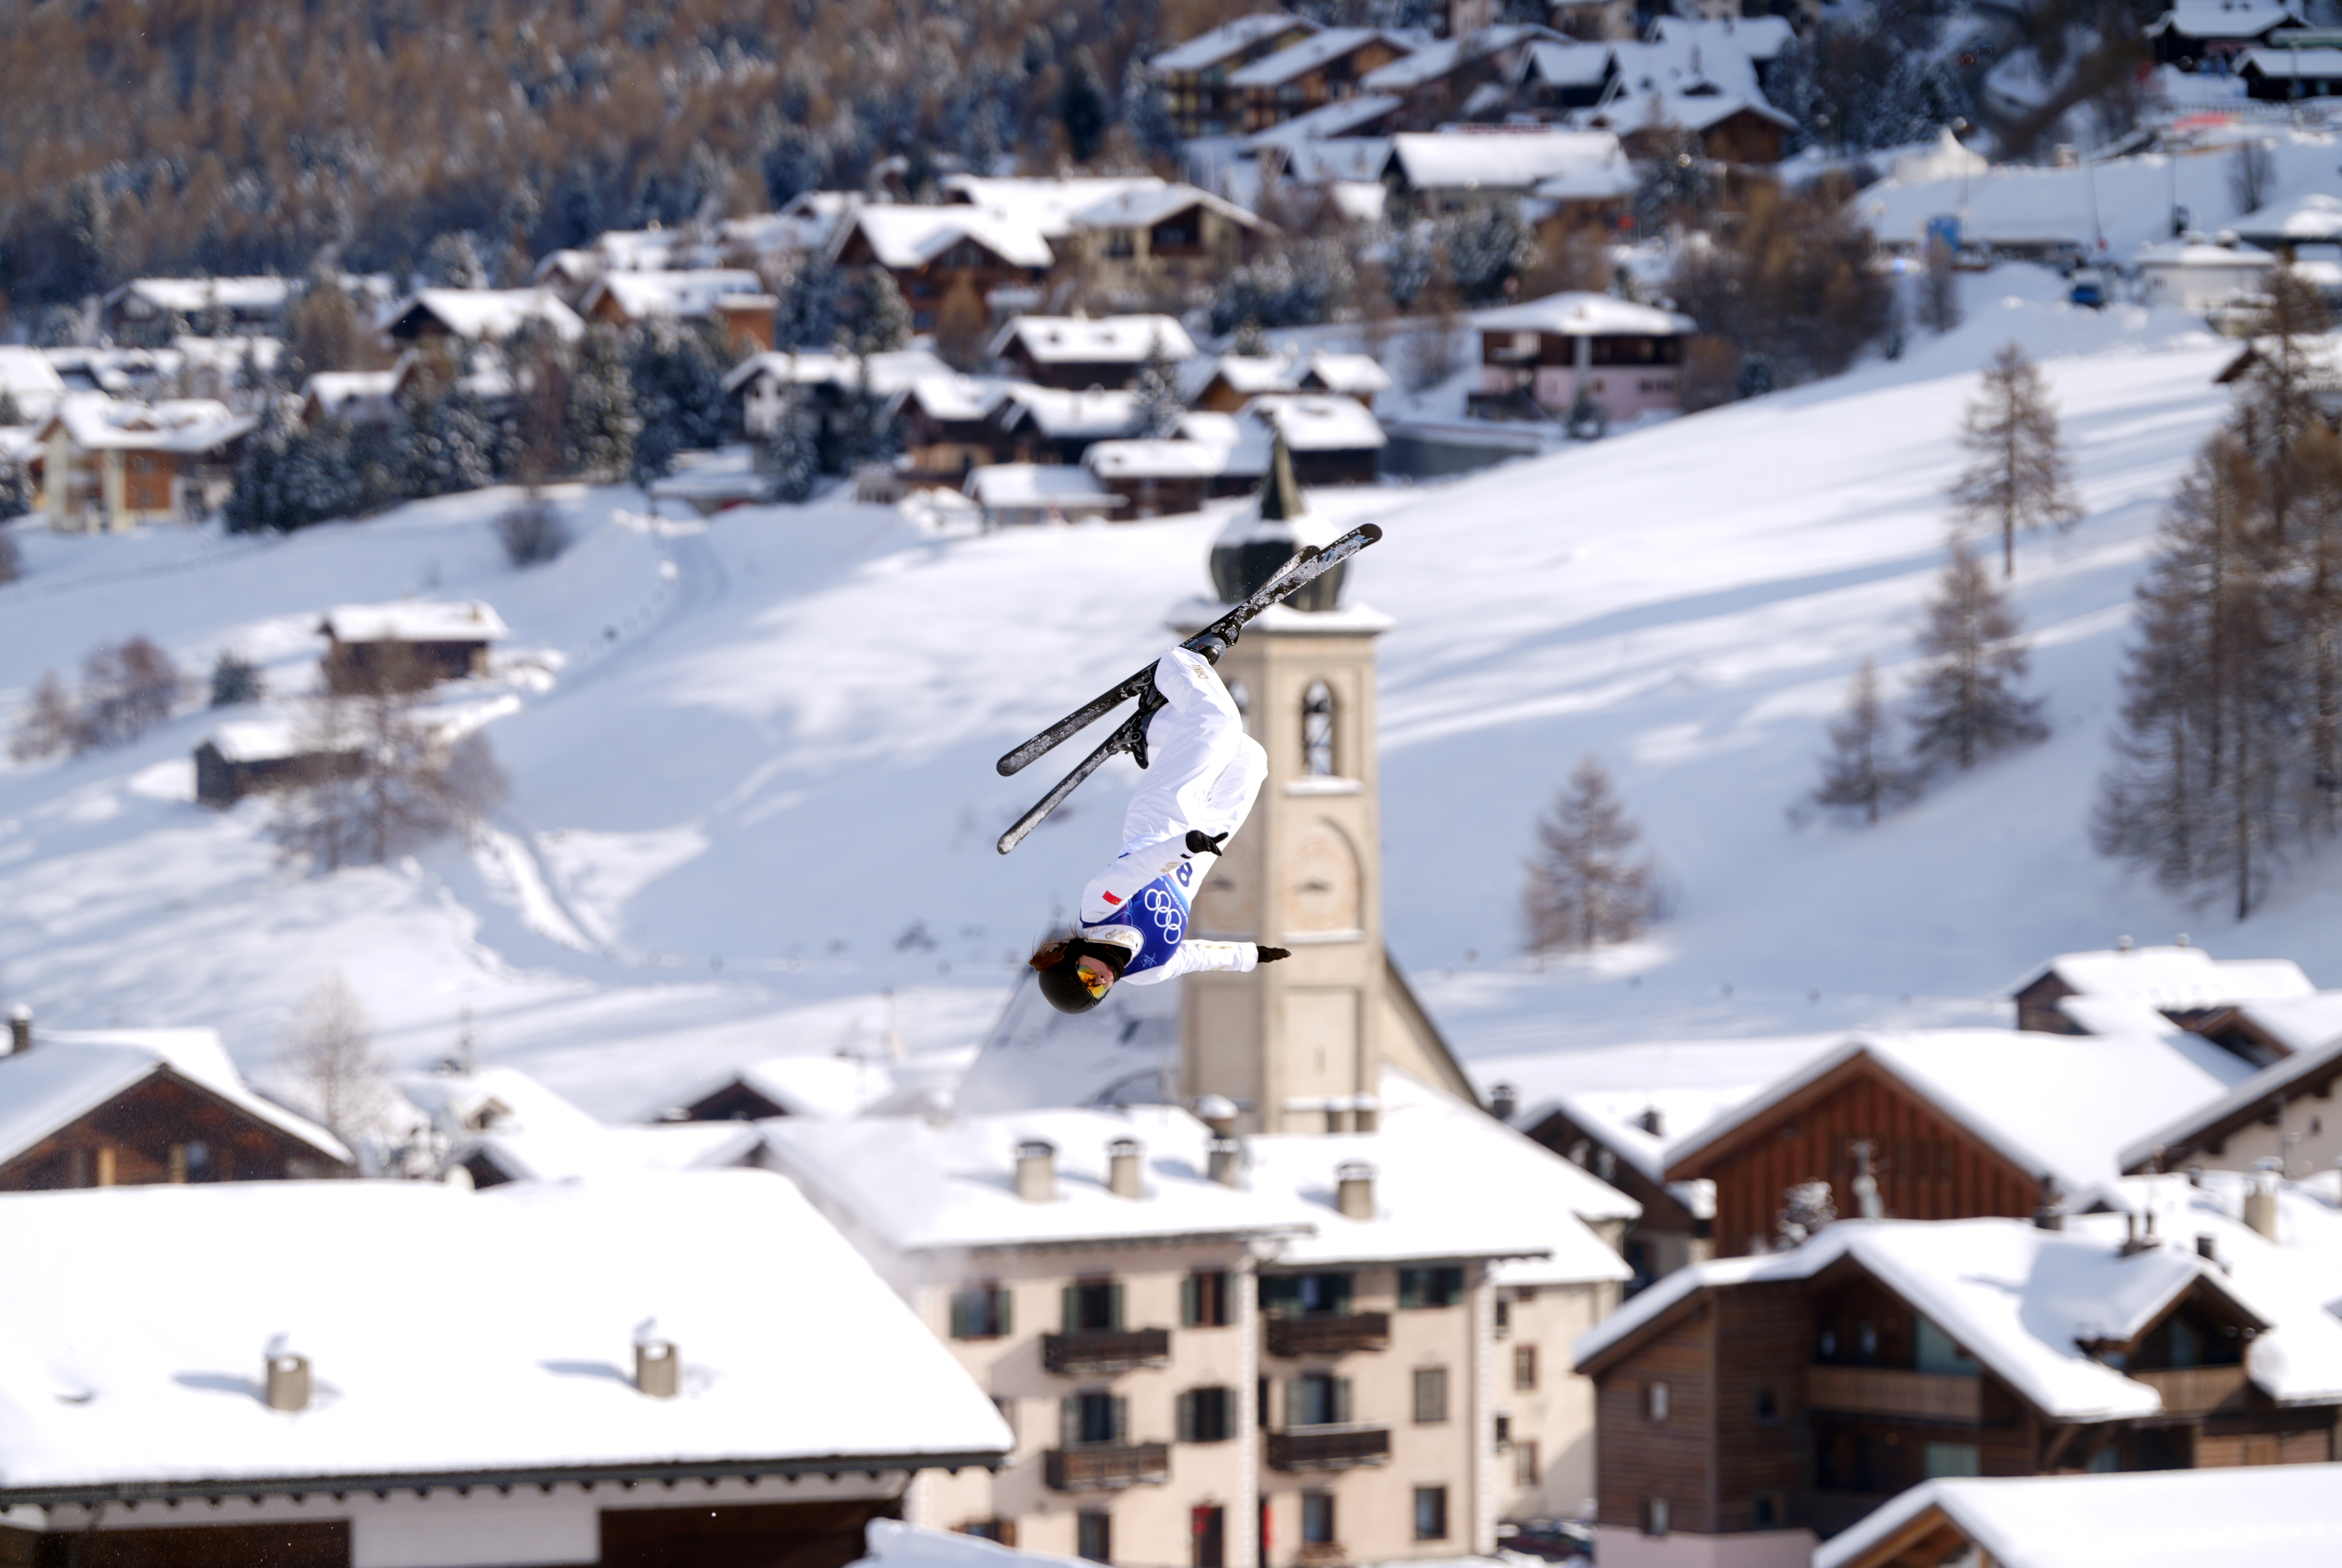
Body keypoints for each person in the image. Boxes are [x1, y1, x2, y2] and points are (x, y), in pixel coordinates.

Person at [1031, 636, 1289, 1014]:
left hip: (1162, 819)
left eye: (1087, 978)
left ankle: (1179, 664)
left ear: (1075, 957)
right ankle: (1152, 732)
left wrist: (1184, 845)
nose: (1101, 982)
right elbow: (1193, 956)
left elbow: (1141, 867)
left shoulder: (1099, 908)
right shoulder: (1145, 971)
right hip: (1197, 859)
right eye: (1098, 992)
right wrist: (1249, 956)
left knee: (1218, 721)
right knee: (1251, 759)